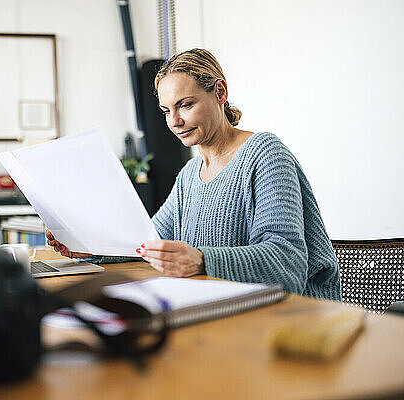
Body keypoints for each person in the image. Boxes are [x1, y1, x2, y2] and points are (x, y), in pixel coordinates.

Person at [47, 48, 341, 300]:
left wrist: (201, 260)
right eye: (166, 110)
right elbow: (148, 241)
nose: (175, 121)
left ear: (220, 92)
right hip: (221, 307)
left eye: (185, 105)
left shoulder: (265, 154)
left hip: (292, 320)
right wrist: (87, 248)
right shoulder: (190, 174)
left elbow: (285, 263)